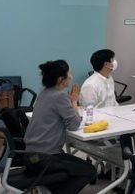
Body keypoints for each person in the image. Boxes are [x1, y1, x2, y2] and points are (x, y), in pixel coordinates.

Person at [23, 60, 97, 194]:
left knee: (70, 166)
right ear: (60, 79)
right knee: (90, 170)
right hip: (44, 158)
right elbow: (74, 125)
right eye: (69, 73)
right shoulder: (60, 95)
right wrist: (74, 101)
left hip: (31, 157)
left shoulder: (45, 93)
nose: (71, 76)